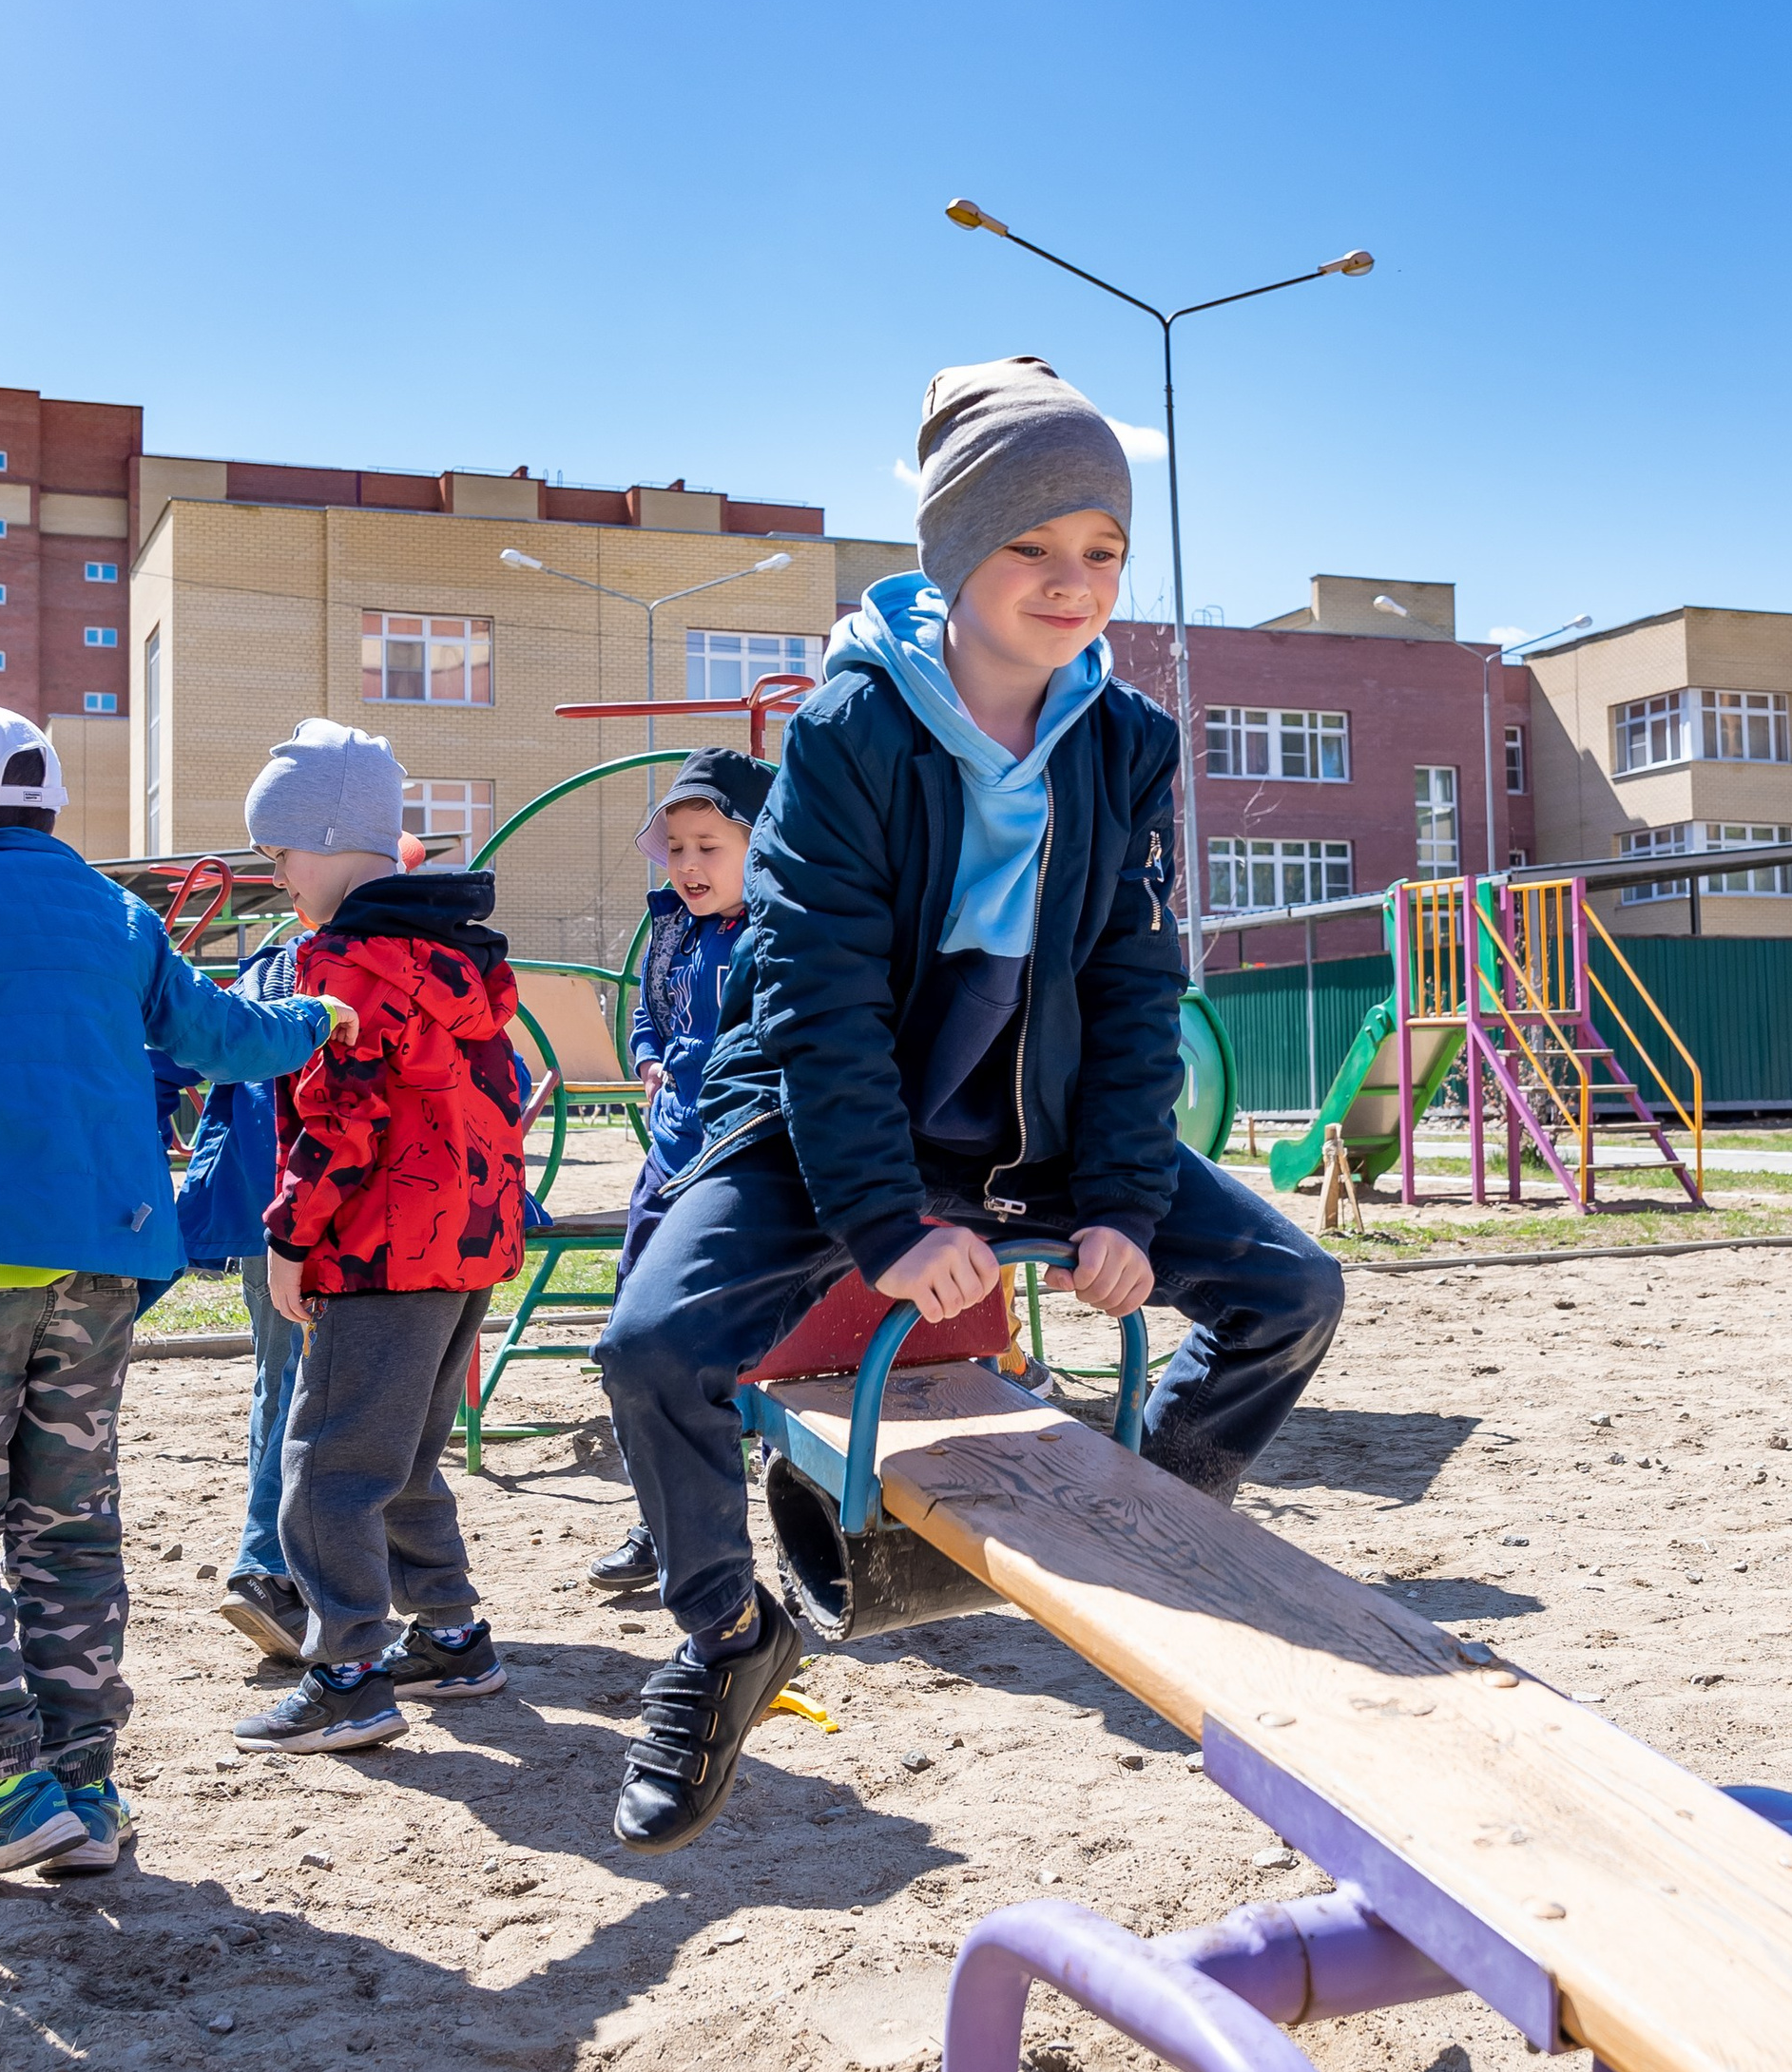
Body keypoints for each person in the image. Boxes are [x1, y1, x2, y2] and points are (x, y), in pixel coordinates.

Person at [593, 354, 1346, 1856]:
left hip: (1044, 1121)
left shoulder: (1125, 739)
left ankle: (1153, 1511)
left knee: (1291, 1291)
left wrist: (1123, 1201)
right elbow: (817, 992)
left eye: (1103, 552)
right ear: (953, 550)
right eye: (1033, 547)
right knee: (653, 1346)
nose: (1073, 583)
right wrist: (882, 1214)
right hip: (838, 1125)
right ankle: (727, 1631)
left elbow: (1132, 986)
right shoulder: (852, 730)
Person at [0, 706, 348, 1890]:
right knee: (69, 1528)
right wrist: (315, 1017)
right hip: (101, 1265)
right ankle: (83, 1787)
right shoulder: (118, 919)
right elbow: (221, 1038)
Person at [230, 720, 527, 1756]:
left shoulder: (346, 966)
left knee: (325, 1466)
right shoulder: (453, 956)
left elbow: (337, 1117)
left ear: (321, 835)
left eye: (281, 856)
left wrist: (289, 1236)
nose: (278, 878)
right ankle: (451, 1636)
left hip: (380, 1246)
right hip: (465, 1242)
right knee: (399, 1454)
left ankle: (349, 1668)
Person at [591, 745, 778, 1599]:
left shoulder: (783, 934)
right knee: (636, 1335)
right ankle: (657, 1519)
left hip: (742, 1164)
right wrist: (649, 1054)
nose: (689, 865)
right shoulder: (674, 928)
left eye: (711, 846)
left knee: (742, 1353)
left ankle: (756, 1514)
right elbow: (650, 1009)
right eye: (677, 847)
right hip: (668, 1160)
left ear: (762, 845)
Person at [170, 913, 319, 1661]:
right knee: (315, 1386)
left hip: (268, 1205)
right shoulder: (378, 965)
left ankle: (283, 1567)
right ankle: (268, 1568)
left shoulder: (267, 968)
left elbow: (191, 1050)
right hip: (327, 1209)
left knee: (279, 1376)